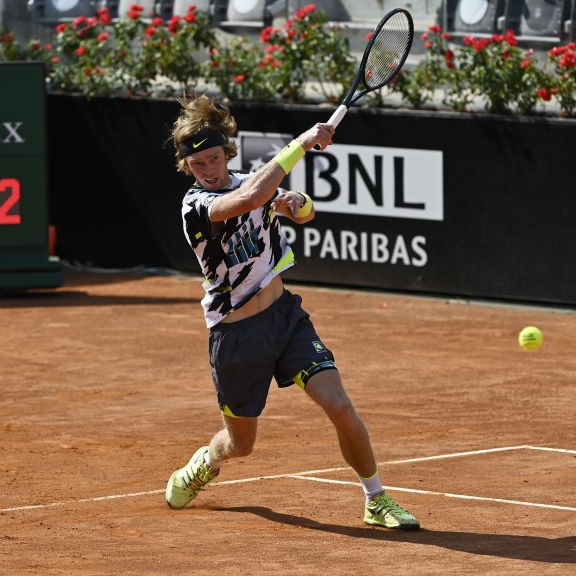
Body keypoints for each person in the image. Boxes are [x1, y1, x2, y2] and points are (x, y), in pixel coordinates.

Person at [164, 94, 419, 530]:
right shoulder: (196, 206)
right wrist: (302, 142)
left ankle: (375, 499)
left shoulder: (250, 179)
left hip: (286, 319)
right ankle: (207, 461)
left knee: (339, 406)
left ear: (227, 153)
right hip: (236, 337)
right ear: (187, 168)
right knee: (240, 445)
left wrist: (298, 203)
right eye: (198, 165)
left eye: (213, 159)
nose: (208, 171)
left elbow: (302, 213)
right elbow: (249, 199)